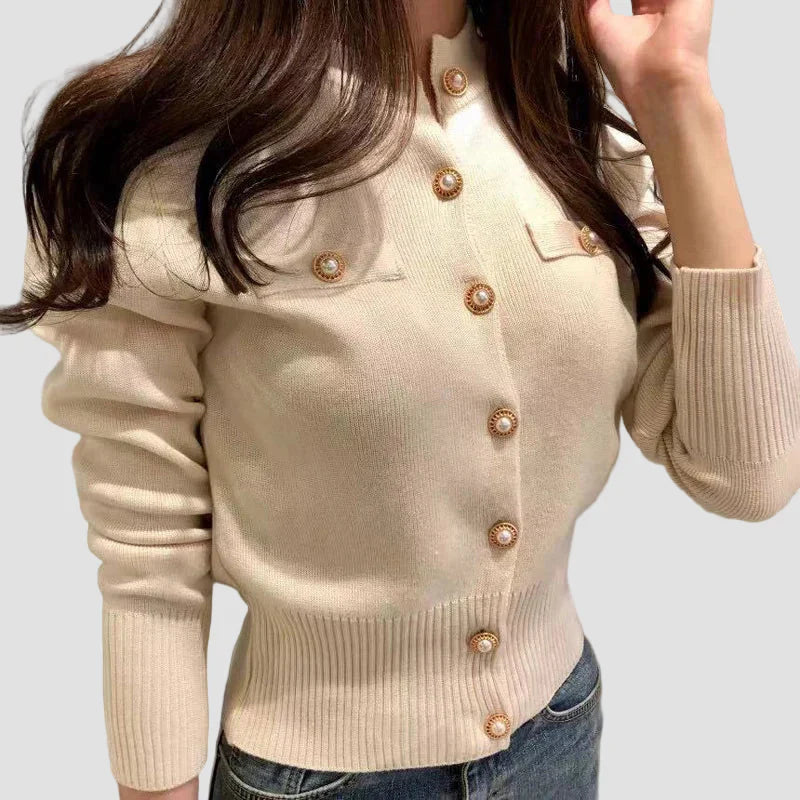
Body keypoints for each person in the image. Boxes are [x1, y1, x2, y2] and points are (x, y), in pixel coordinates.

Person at [3, 0, 799, 798]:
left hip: (558, 732)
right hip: (318, 776)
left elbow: (747, 475)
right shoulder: (173, 152)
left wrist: (679, 101)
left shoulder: (565, 121)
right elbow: (149, 545)